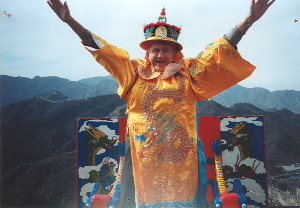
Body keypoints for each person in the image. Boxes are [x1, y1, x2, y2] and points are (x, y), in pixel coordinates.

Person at [47, 0, 275, 207]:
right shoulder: (133, 73)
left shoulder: (188, 74)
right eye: (155, 50)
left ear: (175, 53)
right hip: (141, 159)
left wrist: (249, 20)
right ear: (148, 53)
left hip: (181, 161)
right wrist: (69, 21)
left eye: (166, 49)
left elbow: (219, 52)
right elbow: (104, 51)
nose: (160, 55)